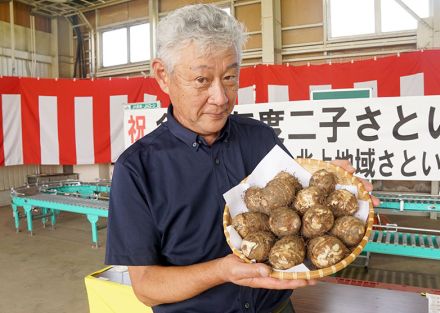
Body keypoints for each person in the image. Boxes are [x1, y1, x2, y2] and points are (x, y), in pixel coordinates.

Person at [105, 4, 379, 313]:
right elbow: (146, 288)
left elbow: (296, 202)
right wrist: (221, 270)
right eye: (201, 80)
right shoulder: (137, 168)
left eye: (230, 77)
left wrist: (332, 188)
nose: (221, 98)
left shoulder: (260, 137)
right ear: (163, 76)